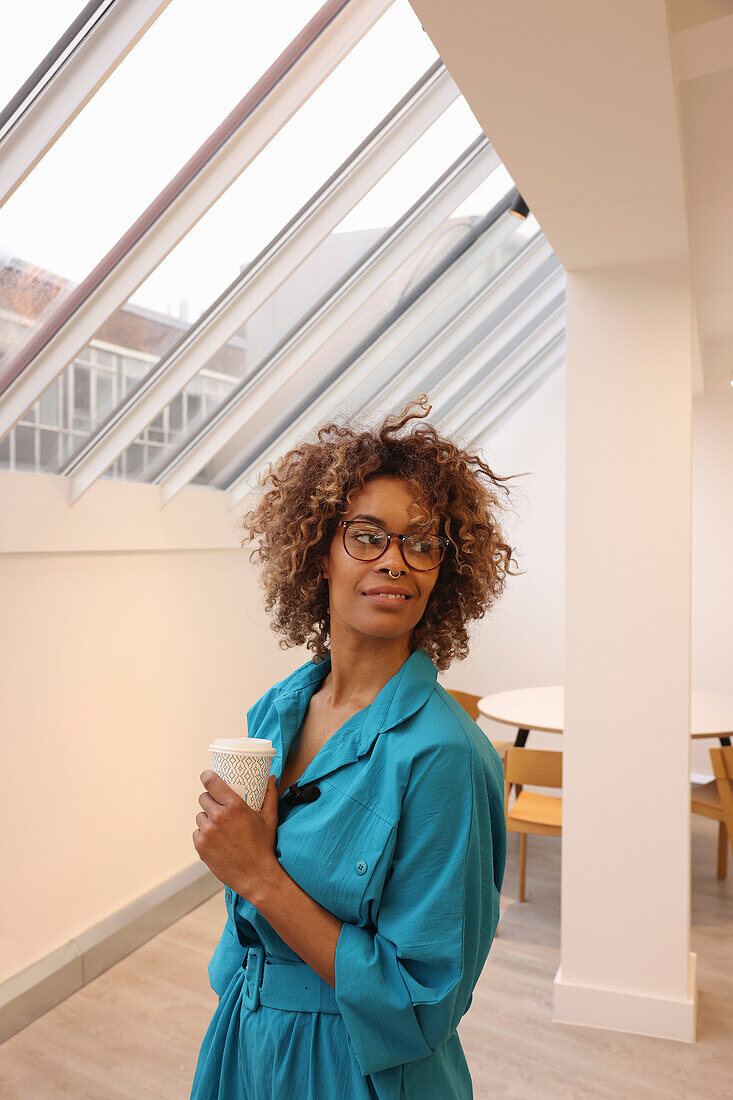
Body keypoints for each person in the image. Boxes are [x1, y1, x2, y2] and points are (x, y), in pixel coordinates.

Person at [190, 394, 520, 1100]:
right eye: (367, 535)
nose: (396, 561)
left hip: (352, 1066)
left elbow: (422, 997)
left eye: (422, 542)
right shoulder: (273, 714)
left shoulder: (446, 759)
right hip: (245, 1036)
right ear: (316, 554)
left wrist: (256, 873)